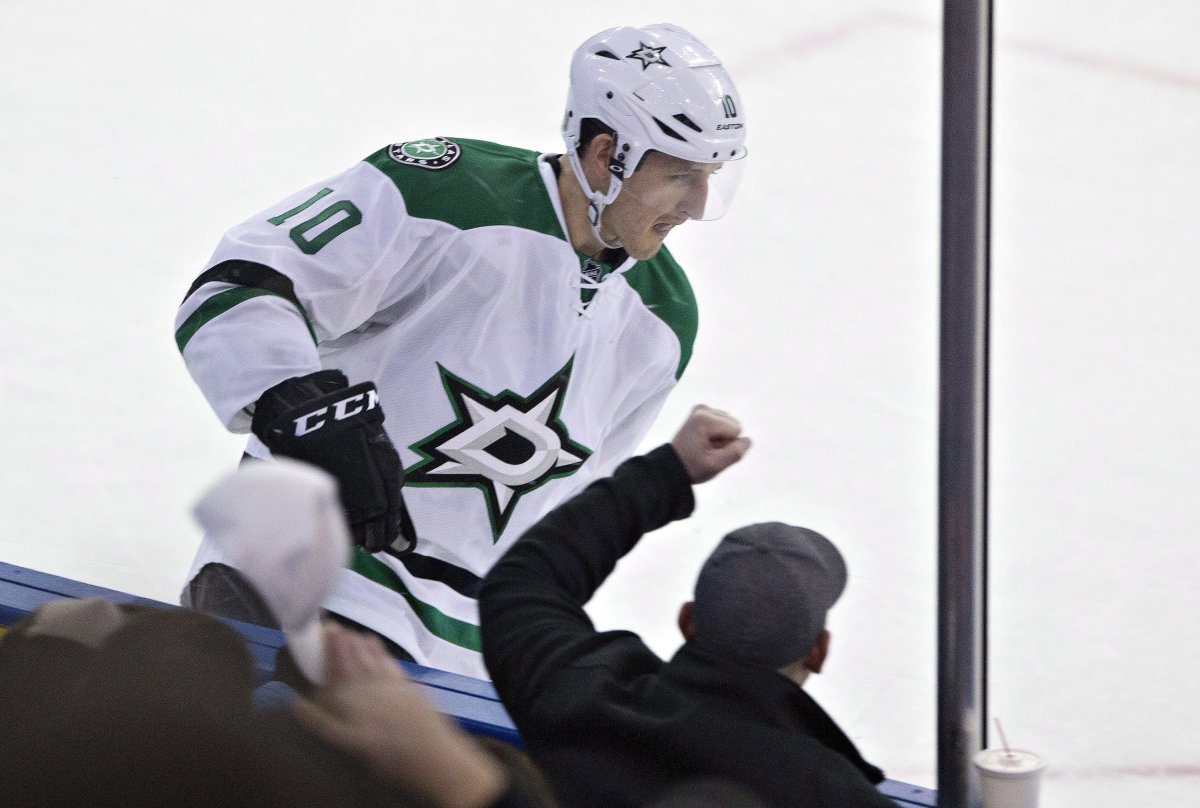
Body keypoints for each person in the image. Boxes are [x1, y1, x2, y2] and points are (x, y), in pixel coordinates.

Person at [174, 22, 749, 678]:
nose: (698, 206)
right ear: (603, 152)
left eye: (710, 178)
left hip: (458, 660)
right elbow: (237, 288)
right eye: (679, 176)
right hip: (296, 579)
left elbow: (562, 511)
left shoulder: (665, 318)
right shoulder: (443, 193)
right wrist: (295, 400)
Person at [478, 405, 898, 808]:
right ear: (819, 651)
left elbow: (524, 579)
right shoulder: (829, 791)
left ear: (687, 621)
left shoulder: (577, 695)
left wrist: (669, 471)